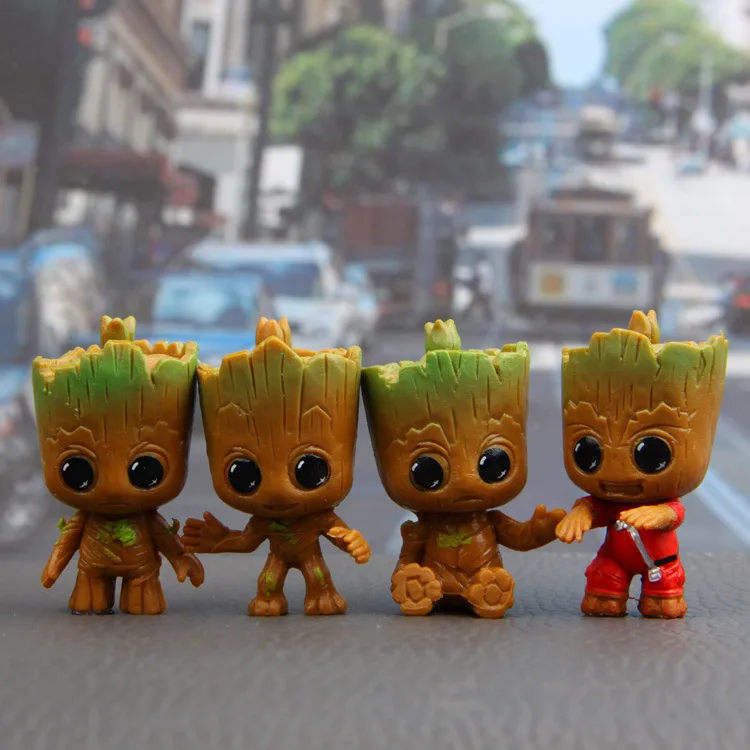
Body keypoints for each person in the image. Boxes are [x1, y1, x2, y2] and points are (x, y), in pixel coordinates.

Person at [464, 251, 495, 321]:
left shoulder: (480, 266)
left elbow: (477, 278)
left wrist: (472, 286)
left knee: (477, 303)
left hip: (481, 289)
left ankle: (465, 316)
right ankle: (490, 318)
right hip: (486, 289)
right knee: (483, 304)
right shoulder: (489, 266)